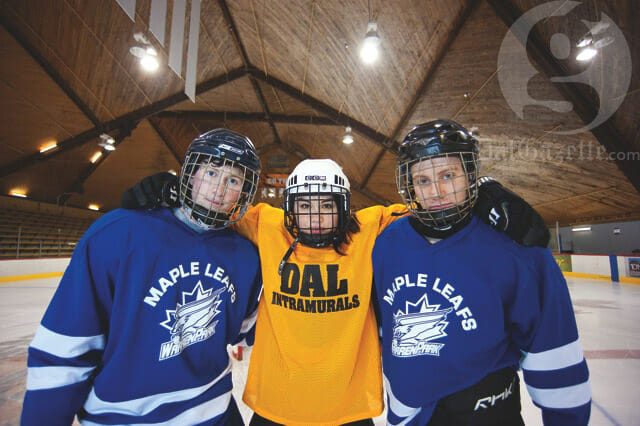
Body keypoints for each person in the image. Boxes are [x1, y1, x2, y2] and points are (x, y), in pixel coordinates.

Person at [122, 150, 550, 425]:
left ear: (346, 208)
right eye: (304, 207)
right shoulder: (266, 225)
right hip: (274, 411)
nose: (316, 219)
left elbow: (436, 207)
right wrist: (169, 188)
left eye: (327, 206)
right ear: (288, 208)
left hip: (351, 412)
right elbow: (211, 206)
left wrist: (485, 195)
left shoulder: (372, 227)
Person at [21, 129, 263, 425]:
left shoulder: (245, 256)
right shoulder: (118, 234)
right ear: (190, 174)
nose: (219, 189)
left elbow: (244, 330)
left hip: (214, 412)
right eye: (211, 173)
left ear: (244, 193)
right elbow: (64, 352)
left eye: (233, 181)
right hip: (121, 418)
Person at [372, 120, 591, 425]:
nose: (436, 191)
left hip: (488, 411)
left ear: (471, 174)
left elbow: (552, 342)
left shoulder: (515, 245)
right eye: (422, 180)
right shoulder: (386, 244)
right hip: (410, 415)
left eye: (448, 175)